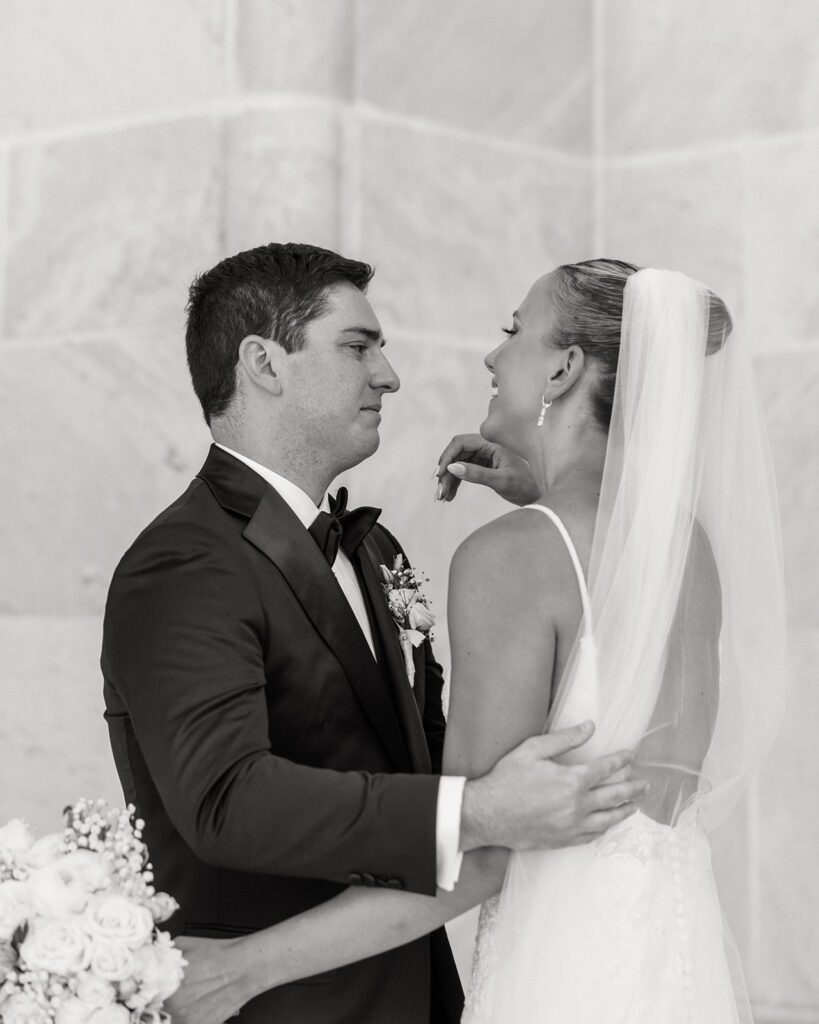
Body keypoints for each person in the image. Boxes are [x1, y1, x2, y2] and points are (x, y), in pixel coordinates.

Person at [163, 259, 786, 1024]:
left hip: (565, 974)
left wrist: (240, 968)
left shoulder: (513, 556)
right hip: (673, 967)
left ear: (562, 368)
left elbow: (478, 853)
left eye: (512, 332)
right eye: (360, 346)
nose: (492, 357)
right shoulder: (682, 552)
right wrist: (544, 489)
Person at [101, 244, 645, 1024]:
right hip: (266, 1003)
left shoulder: (375, 550)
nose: (388, 375)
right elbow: (225, 800)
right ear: (263, 362)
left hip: (416, 996)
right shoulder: (184, 561)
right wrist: (477, 813)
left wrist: (560, 498)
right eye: (358, 347)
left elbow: (433, 759)